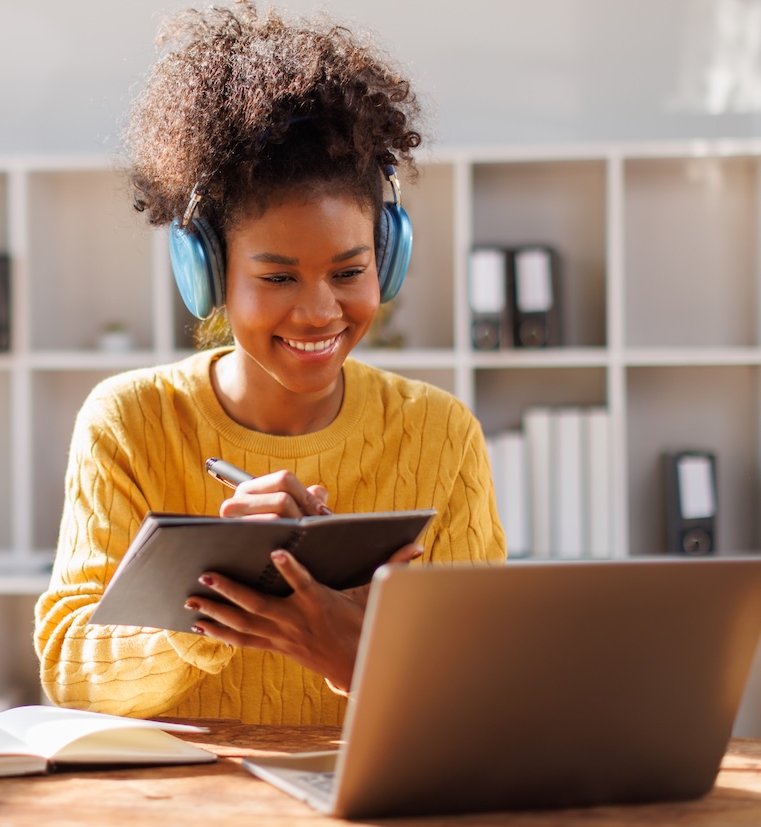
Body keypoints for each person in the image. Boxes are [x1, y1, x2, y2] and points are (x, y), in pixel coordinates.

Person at [34, 0, 506, 726]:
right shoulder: (128, 422)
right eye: (279, 277)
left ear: (388, 258)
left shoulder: (441, 435)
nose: (319, 312)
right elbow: (70, 669)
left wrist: (360, 657)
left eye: (349, 272)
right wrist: (215, 580)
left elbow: (489, 693)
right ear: (209, 273)